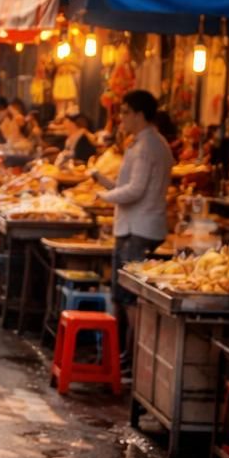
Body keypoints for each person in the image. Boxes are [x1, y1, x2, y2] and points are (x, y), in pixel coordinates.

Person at [94, 89, 174, 371]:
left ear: (140, 114)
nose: (121, 118)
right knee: (124, 296)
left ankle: (131, 359)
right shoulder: (150, 143)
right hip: (137, 225)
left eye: (125, 112)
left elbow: (135, 191)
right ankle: (123, 357)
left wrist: (102, 197)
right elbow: (129, 187)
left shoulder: (147, 146)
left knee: (130, 298)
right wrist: (102, 181)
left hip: (137, 229)